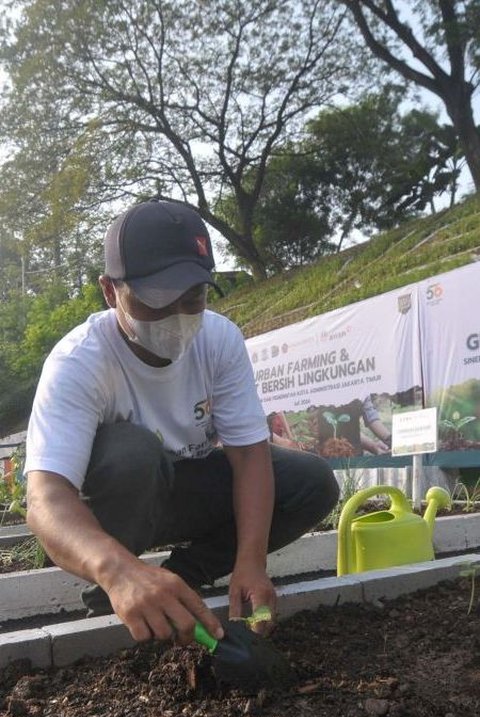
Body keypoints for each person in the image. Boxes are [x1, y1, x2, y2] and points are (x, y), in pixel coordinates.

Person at [25, 200, 339, 646]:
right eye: (155, 300)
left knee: (311, 480)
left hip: (184, 490)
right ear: (111, 292)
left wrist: (251, 561)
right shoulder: (80, 362)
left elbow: (249, 454)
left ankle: (179, 579)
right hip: (114, 510)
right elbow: (45, 500)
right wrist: (119, 572)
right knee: (132, 451)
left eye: (193, 297)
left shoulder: (219, 338)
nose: (177, 315)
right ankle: (115, 594)